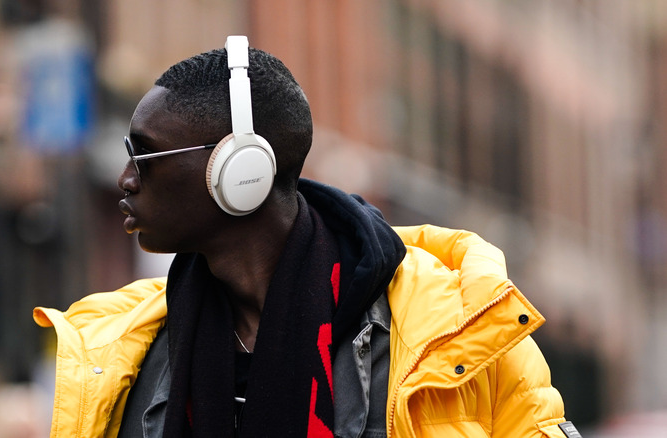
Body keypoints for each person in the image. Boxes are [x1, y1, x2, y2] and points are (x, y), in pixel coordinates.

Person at [34, 36, 576, 437]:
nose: (127, 178)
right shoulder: (118, 348)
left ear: (240, 173)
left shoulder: (458, 329)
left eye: (145, 154)